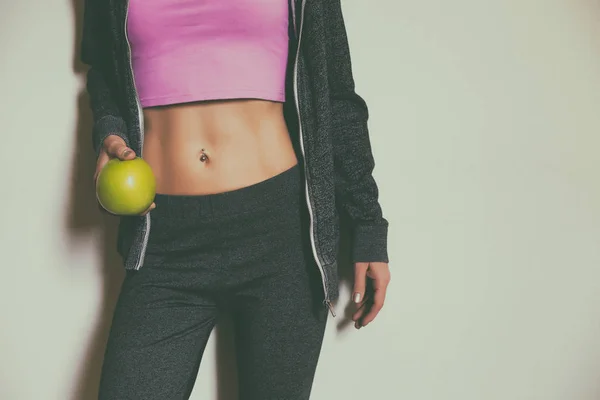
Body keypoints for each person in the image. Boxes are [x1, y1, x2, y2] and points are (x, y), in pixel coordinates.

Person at [81, 0, 390, 398]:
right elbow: (103, 69)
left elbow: (336, 91)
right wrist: (109, 131)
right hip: (164, 239)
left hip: (280, 234)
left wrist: (367, 224)